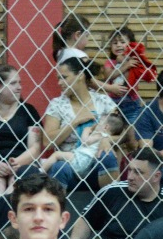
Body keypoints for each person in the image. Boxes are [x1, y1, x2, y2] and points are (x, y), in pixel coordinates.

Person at [41, 57, 120, 192]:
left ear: (80, 76)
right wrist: (75, 121)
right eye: (58, 78)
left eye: (64, 77)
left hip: (97, 163)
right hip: (70, 164)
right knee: (60, 167)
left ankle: (110, 205)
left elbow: (124, 135)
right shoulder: (57, 104)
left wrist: (106, 139)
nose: (60, 83)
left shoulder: (103, 101)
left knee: (108, 156)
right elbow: (47, 142)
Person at [0, 64, 41, 200]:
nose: (19, 87)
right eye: (13, 83)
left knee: (16, 187)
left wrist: (17, 162)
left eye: (19, 82)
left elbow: (35, 147)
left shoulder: (28, 110)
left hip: (22, 163)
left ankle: (6, 212)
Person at [39, 109, 127, 179]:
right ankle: (46, 164)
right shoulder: (106, 137)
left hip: (82, 160)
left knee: (57, 154)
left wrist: (86, 131)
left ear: (105, 127)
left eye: (99, 122)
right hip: (86, 163)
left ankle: (41, 171)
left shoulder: (100, 135)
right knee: (60, 159)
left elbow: (85, 141)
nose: (96, 124)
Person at [101, 25, 156, 123]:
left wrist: (127, 61)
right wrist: (124, 65)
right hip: (113, 102)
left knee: (132, 130)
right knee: (113, 129)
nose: (118, 45)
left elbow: (129, 82)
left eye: (122, 42)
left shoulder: (134, 61)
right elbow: (108, 76)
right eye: (114, 43)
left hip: (131, 102)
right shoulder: (109, 62)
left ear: (131, 44)